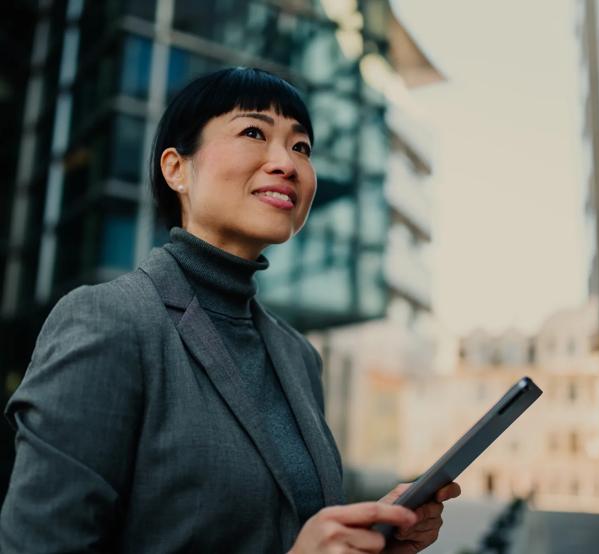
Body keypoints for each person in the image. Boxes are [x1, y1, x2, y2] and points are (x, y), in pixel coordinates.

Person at [0, 67, 460, 553]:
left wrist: (367, 537)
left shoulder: (298, 356)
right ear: (176, 168)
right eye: (253, 132)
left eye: (301, 147)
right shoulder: (108, 319)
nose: (286, 162)